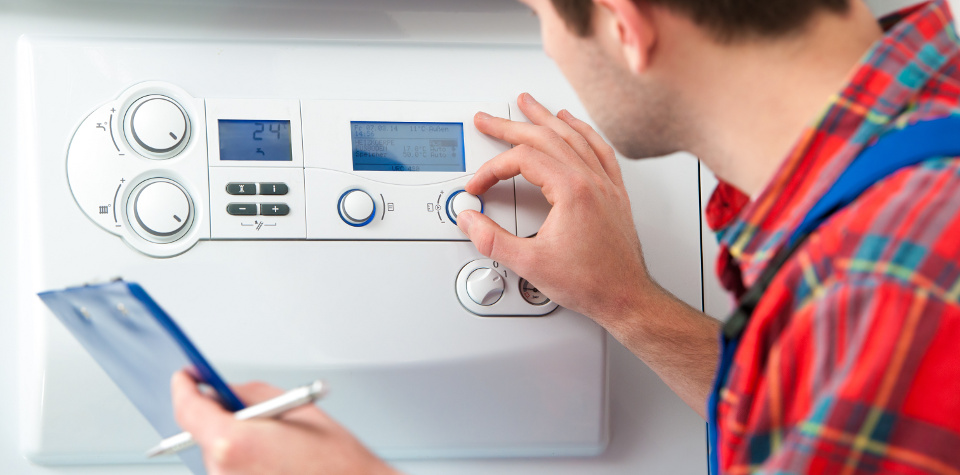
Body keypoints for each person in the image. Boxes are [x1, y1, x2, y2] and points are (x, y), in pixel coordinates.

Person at [172, 0, 960, 473]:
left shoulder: (884, 283)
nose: (550, 46)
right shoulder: (914, 163)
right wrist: (628, 303)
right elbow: (829, 402)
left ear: (625, 24)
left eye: (544, 14)